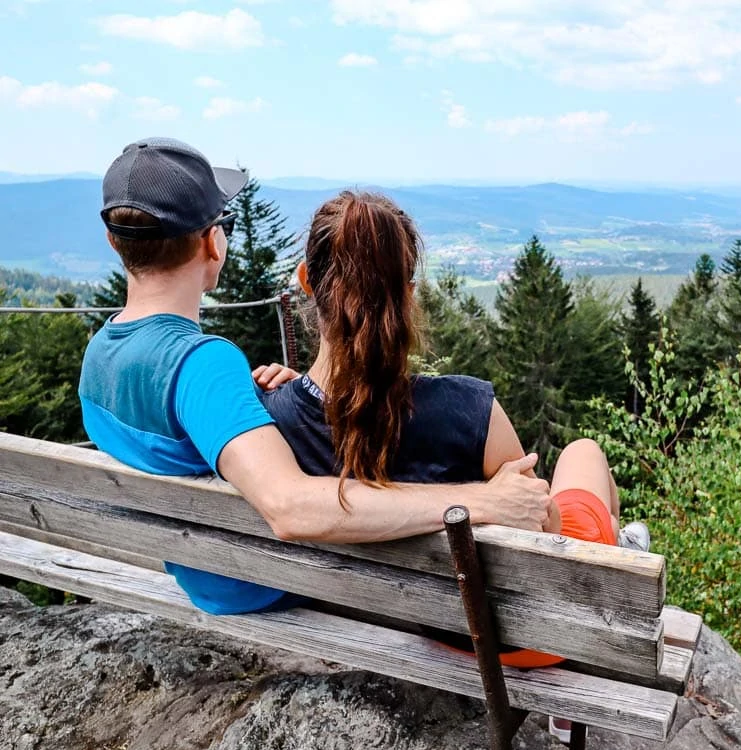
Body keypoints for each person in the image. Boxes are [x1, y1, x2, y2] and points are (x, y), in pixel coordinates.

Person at [78, 137, 551, 617]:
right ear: (212, 242)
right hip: (259, 582)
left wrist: (273, 397)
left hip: (200, 568)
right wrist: (480, 501)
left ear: (113, 240)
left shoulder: (99, 354)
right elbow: (290, 506)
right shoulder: (203, 364)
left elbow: (180, 437)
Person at [253, 190, 650, 646]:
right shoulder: (468, 410)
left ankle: (621, 541)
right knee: (583, 452)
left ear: (306, 280)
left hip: (406, 628)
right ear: (407, 293)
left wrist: (295, 392)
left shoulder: (265, 425)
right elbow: (547, 531)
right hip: (517, 642)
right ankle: (622, 544)